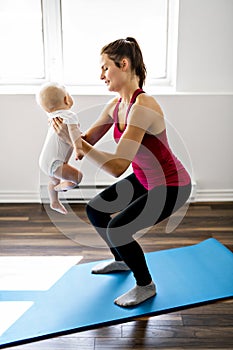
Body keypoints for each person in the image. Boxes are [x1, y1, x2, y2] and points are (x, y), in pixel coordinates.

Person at [53, 37, 191, 306]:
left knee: (119, 229)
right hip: (144, 178)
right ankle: (121, 260)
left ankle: (145, 285)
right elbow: (86, 141)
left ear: (124, 64)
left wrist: (77, 143)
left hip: (171, 185)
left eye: (105, 68)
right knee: (96, 209)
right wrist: (64, 124)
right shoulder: (116, 105)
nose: (101, 75)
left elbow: (117, 167)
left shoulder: (144, 108)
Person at [37, 82, 84, 215]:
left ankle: (54, 202)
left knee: (53, 179)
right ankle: (60, 188)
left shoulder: (52, 117)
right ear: (66, 99)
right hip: (56, 164)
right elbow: (74, 132)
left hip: (45, 161)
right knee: (78, 177)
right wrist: (78, 149)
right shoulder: (70, 115)